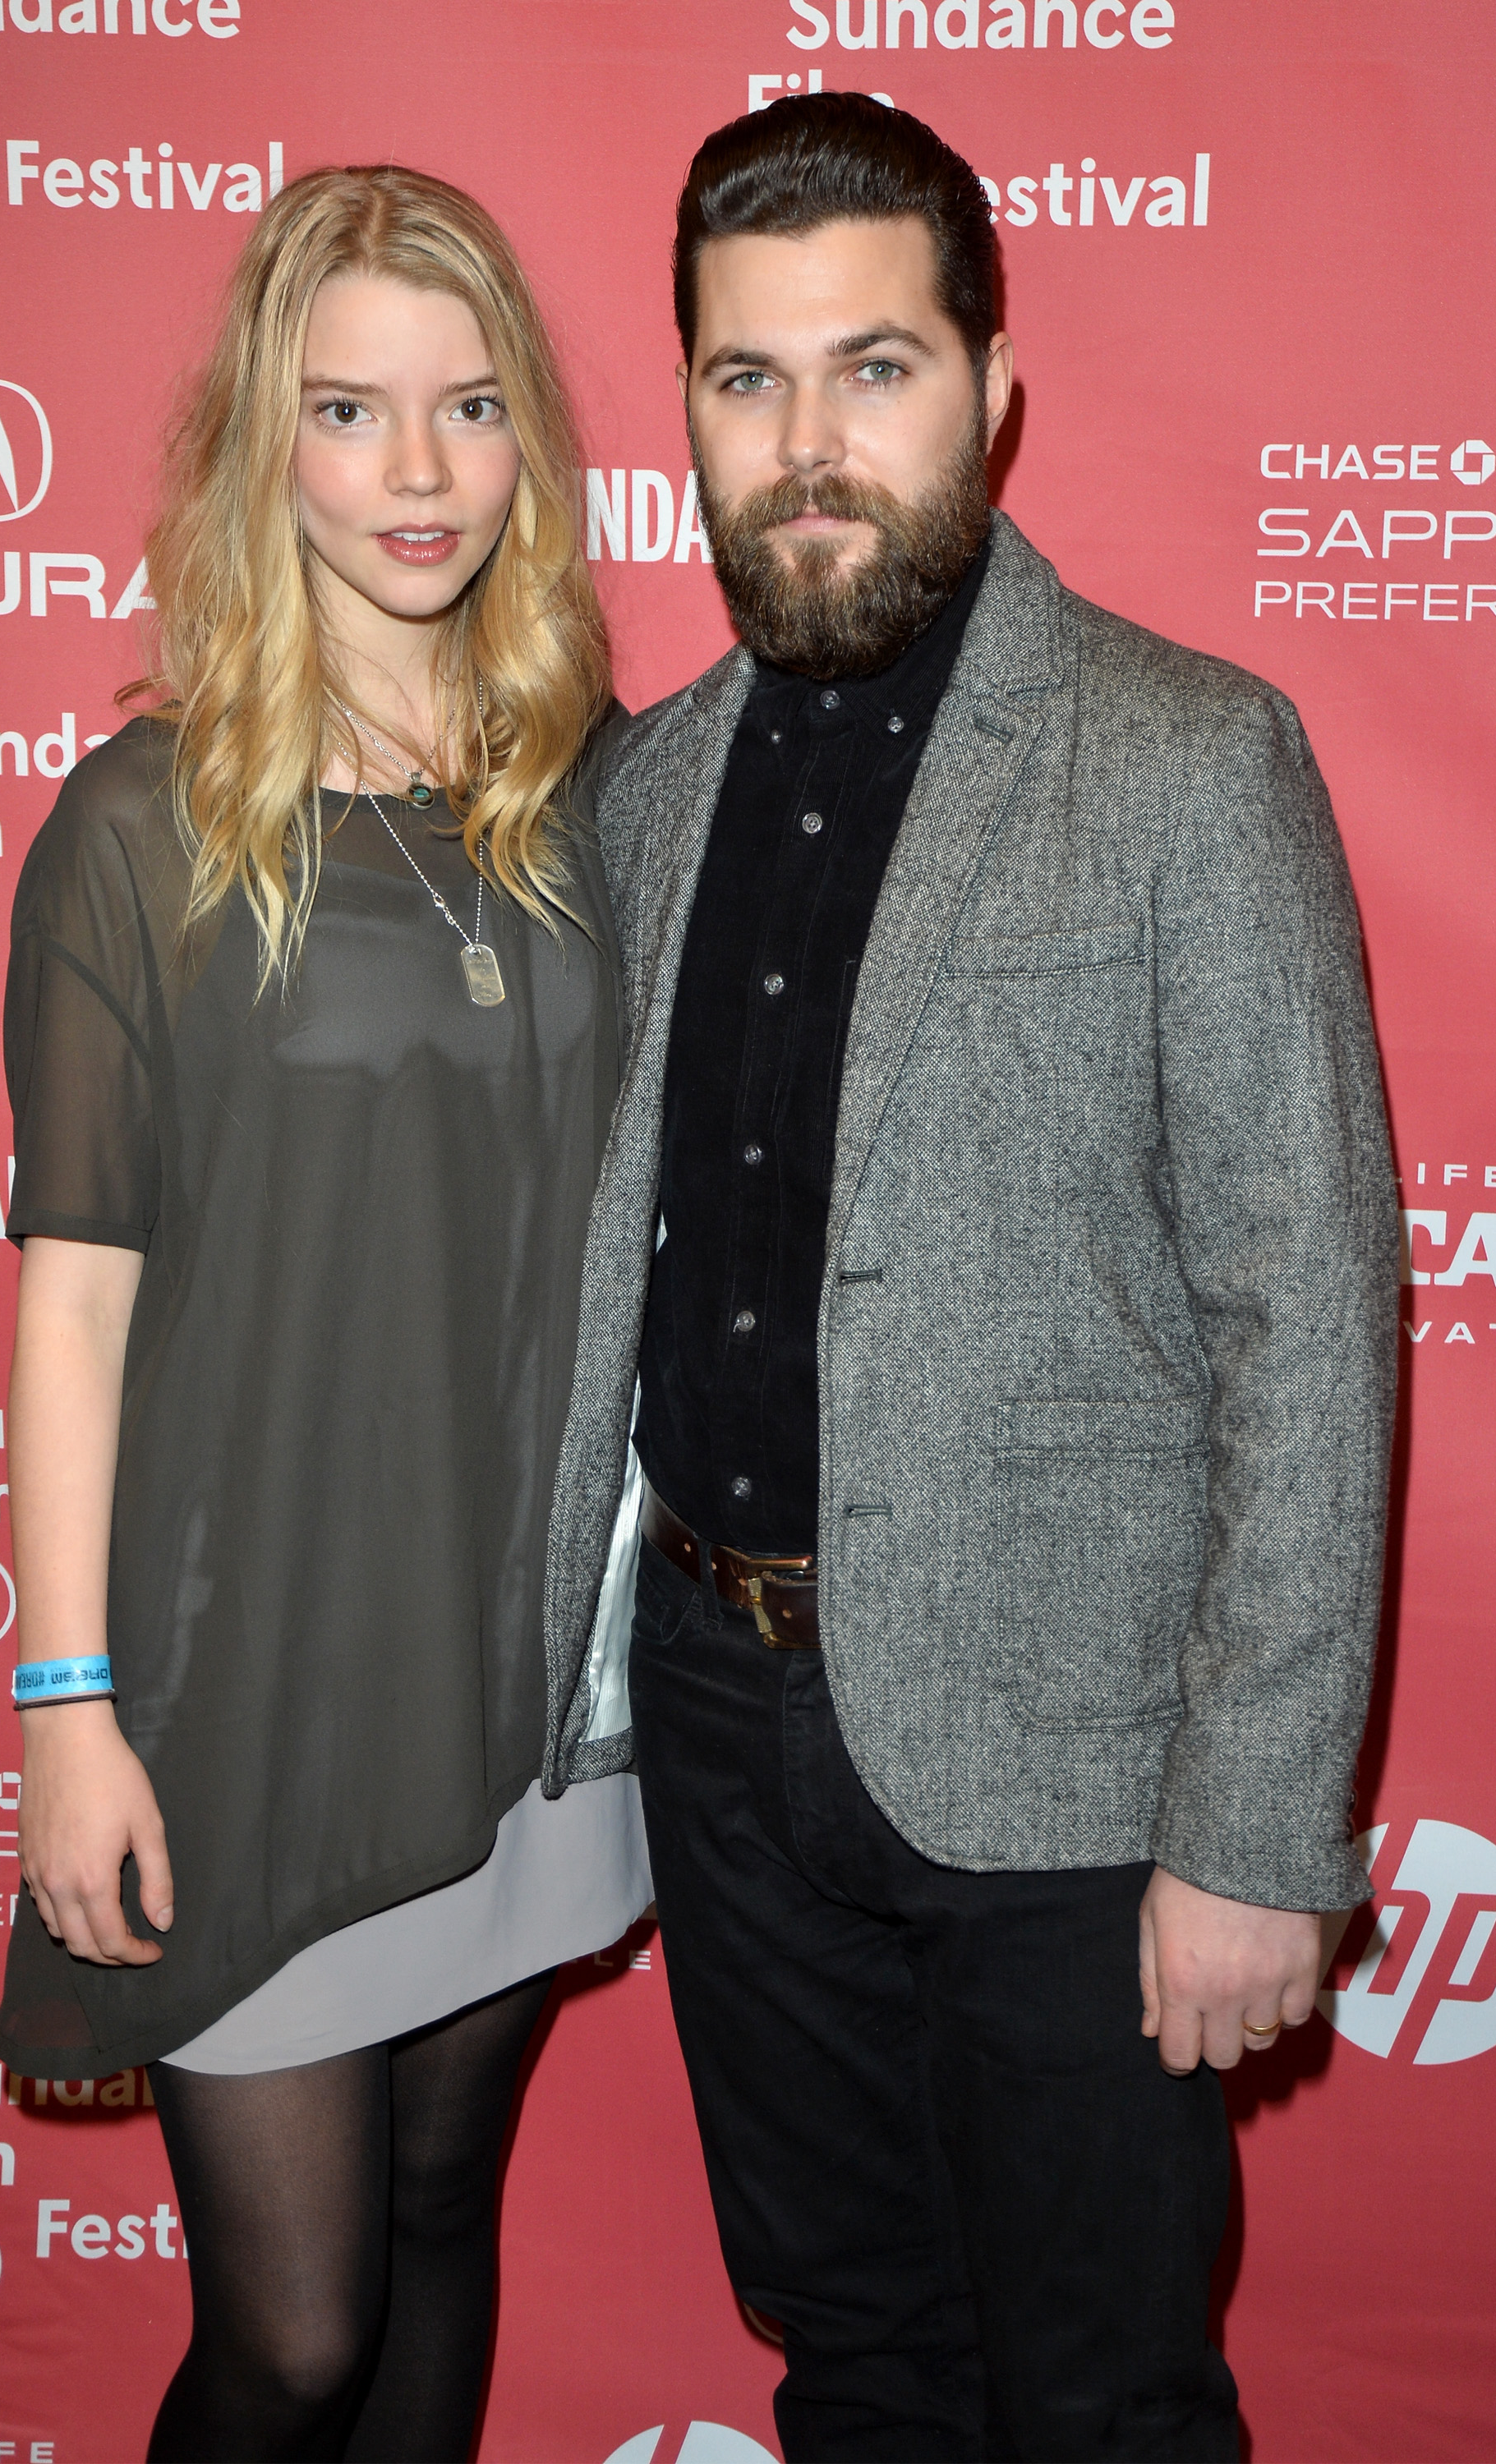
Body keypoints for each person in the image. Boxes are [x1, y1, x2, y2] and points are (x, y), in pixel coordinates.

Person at [541, 95, 1397, 2462]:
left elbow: (1303, 1317)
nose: (805, 446)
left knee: (1101, 2398)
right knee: (855, 2375)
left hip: (1078, 1773)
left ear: (993, 389)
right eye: (745, 378)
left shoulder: (1188, 760)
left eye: (874, 368)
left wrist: (1251, 1834)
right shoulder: (641, 790)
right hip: (720, 1728)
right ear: (689, 405)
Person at [0, 164, 649, 2464]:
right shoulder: (143, 822)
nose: (415, 473)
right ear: (262, 440)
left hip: (529, 1655)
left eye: (469, 410)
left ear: (528, 451)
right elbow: (75, 1307)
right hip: (250, 1672)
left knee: (444, 2215)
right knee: (289, 2336)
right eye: (350, 410)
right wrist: (69, 1707)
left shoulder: (588, 801)